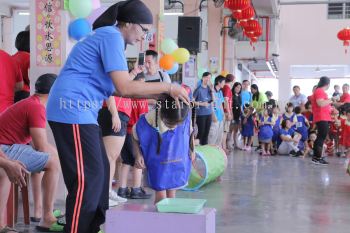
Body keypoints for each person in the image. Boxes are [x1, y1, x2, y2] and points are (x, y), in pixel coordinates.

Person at [46, 2, 190, 233]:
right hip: (72, 109)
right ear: (129, 23)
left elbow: (113, 87)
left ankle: (91, 228)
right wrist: (170, 87)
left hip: (83, 112)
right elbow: (124, 88)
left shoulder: (112, 40)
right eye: (143, 30)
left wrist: (162, 95)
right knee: (87, 180)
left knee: (101, 175)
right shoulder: (110, 36)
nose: (144, 37)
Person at [0, 74, 62, 232]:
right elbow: (42, 147)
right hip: (5, 148)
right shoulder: (36, 107)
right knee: (53, 163)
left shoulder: (31, 102)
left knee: (49, 159)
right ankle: (46, 216)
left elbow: (37, 146)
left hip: (8, 147)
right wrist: (62, 157)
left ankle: (40, 211)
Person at [133, 95, 195, 203]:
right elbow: (135, 136)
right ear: (163, 113)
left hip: (176, 157)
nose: (173, 126)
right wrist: (138, 154)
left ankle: (171, 217)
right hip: (158, 160)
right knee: (161, 193)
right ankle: (159, 218)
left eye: (177, 124)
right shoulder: (151, 117)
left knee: (172, 191)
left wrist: (192, 149)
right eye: (170, 123)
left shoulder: (184, 115)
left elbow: (190, 133)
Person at [118, 73, 151, 199]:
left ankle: (122, 189)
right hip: (135, 133)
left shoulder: (126, 97)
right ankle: (136, 189)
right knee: (139, 161)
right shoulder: (141, 99)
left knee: (126, 161)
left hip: (124, 131)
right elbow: (143, 119)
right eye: (142, 83)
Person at [98, 95, 132, 207]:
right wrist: (115, 114)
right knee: (108, 158)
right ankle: (102, 195)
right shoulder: (117, 78)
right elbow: (110, 91)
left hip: (119, 112)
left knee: (112, 158)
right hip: (114, 111)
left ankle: (106, 192)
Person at [311, 76, 332, 165]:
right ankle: (317, 158)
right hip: (321, 117)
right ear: (327, 84)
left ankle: (316, 157)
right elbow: (320, 103)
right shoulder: (319, 91)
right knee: (321, 137)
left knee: (320, 137)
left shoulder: (319, 91)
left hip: (323, 116)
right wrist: (331, 100)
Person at [193, 72, 213, 145]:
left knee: (206, 133)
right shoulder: (198, 89)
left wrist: (212, 90)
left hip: (209, 113)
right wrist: (202, 104)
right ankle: (196, 149)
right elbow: (192, 101)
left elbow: (212, 100)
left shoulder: (209, 89)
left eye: (209, 78)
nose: (208, 79)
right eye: (206, 77)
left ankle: (204, 150)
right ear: (203, 78)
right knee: (201, 132)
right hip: (201, 114)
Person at [12, 30, 30, 102]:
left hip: (12, 92)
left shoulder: (12, 57)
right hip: (25, 93)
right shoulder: (29, 58)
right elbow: (31, 79)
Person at [208, 75, 225, 146]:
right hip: (214, 117)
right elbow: (210, 104)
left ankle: (217, 153)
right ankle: (210, 153)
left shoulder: (220, 92)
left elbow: (221, 104)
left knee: (219, 136)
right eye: (223, 82)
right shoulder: (211, 92)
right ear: (219, 82)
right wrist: (213, 115)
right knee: (212, 136)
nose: (224, 84)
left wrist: (223, 114)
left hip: (220, 117)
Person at [222, 74, 235, 152]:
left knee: (225, 131)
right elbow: (226, 101)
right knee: (225, 131)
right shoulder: (227, 88)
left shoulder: (226, 88)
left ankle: (224, 147)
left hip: (226, 111)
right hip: (226, 112)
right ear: (232, 80)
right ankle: (223, 148)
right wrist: (229, 113)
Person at [232, 82, 242, 149]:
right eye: (237, 87)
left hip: (238, 115)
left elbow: (240, 106)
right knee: (230, 131)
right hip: (232, 114)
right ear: (234, 87)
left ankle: (236, 144)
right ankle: (228, 144)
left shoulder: (239, 96)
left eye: (239, 88)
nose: (238, 89)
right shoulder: (232, 95)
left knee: (236, 131)